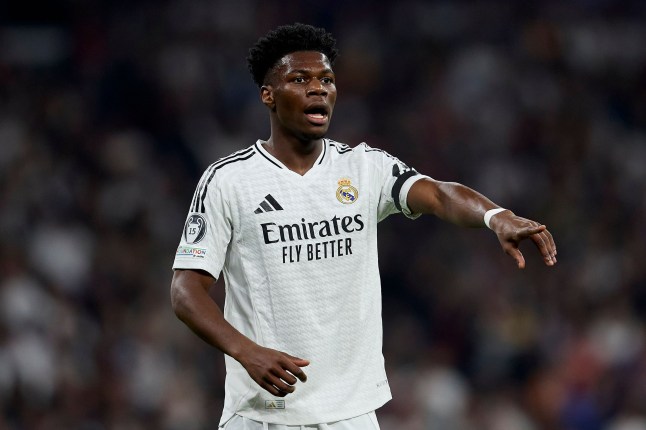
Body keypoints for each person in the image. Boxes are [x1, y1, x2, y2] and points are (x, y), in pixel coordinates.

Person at [170, 23, 557, 430]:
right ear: (268, 95)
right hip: (263, 413)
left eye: (327, 80)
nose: (318, 89)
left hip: (351, 415)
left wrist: (494, 216)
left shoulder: (363, 167)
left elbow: (439, 194)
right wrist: (245, 351)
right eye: (300, 79)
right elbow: (185, 290)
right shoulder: (229, 180)